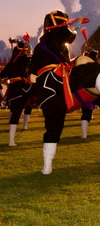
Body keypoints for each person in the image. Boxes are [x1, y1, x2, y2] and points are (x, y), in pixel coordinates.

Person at [29, 10, 100, 174]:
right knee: (54, 126)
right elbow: (60, 35)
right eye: (64, 26)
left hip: (65, 79)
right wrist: (74, 25)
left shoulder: (58, 44)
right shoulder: (46, 42)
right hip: (51, 86)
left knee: (90, 70)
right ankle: (47, 165)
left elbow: (64, 37)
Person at [0, 37, 35, 146]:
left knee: (15, 115)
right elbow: (30, 56)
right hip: (22, 88)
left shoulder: (11, 63)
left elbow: (2, 75)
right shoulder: (23, 59)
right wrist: (29, 46)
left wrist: (11, 66)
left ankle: (11, 141)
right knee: (36, 92)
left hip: (13, 92)